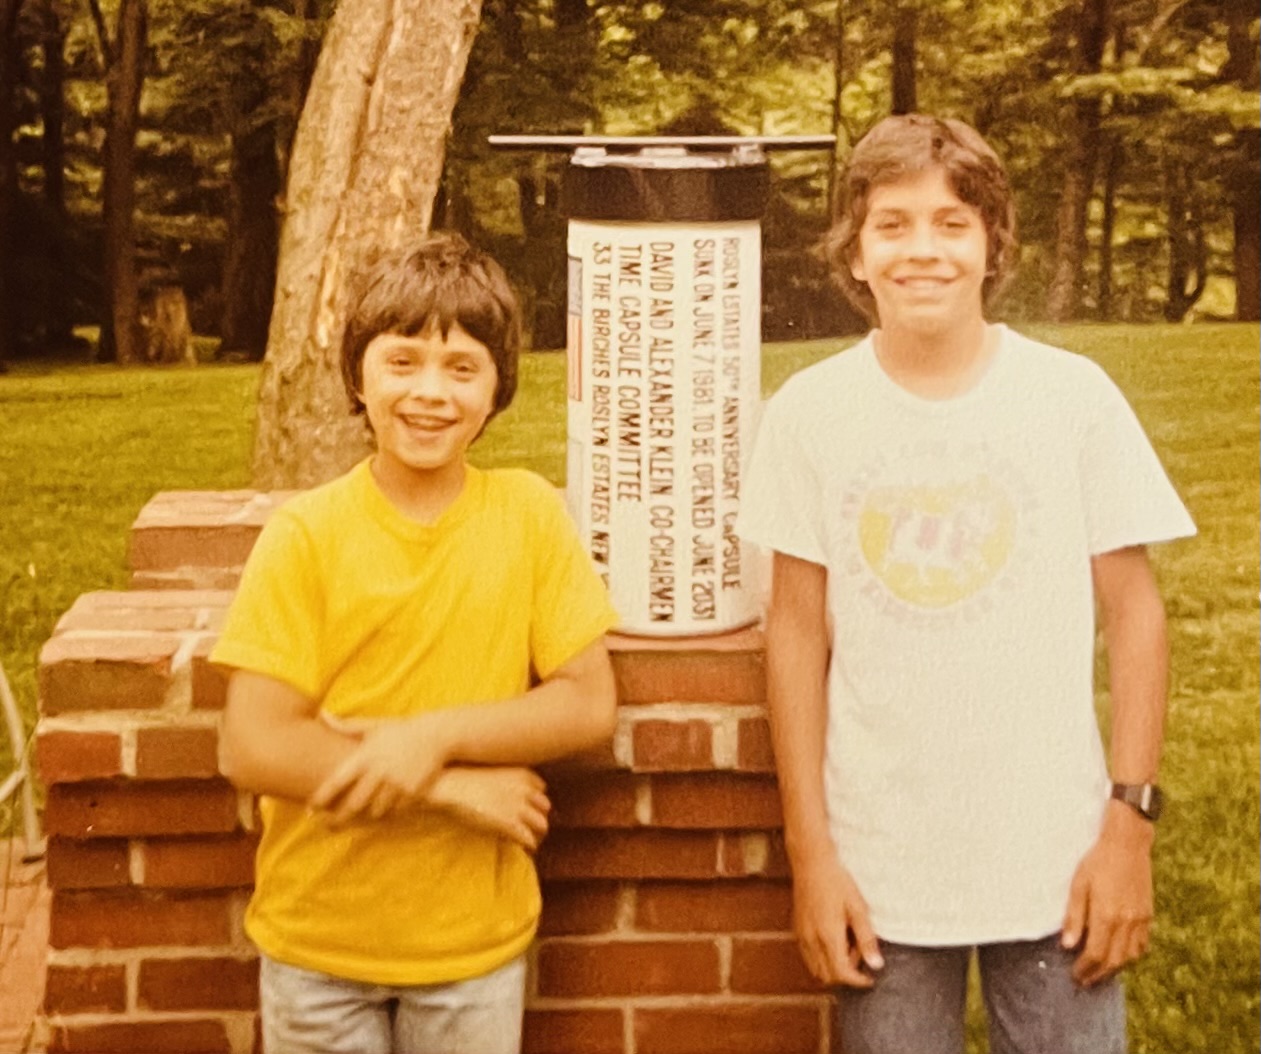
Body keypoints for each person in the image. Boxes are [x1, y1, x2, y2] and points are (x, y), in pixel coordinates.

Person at [736, 114, 1195, 1054]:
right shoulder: (809, 415)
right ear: (854, 254)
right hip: (881, 872)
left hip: (1057, 863)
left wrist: (1127, 830)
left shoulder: (1069, 398)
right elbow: (793, 634)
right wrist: (811, 855)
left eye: (952, 224)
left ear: (992, 245)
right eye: (891, 224)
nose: (922, 251)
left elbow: (1135, 618)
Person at [213, 232, 619, 1054]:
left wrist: (427, 737)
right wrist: (447, 787)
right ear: (358, 375)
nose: (429, 393)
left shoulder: (529, 515)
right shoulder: (306, 535)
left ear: (497, 385)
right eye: (402, 362)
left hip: (472, 948)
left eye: (461, 368)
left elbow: (586, 703)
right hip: (315, 945)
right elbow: (253, 744)